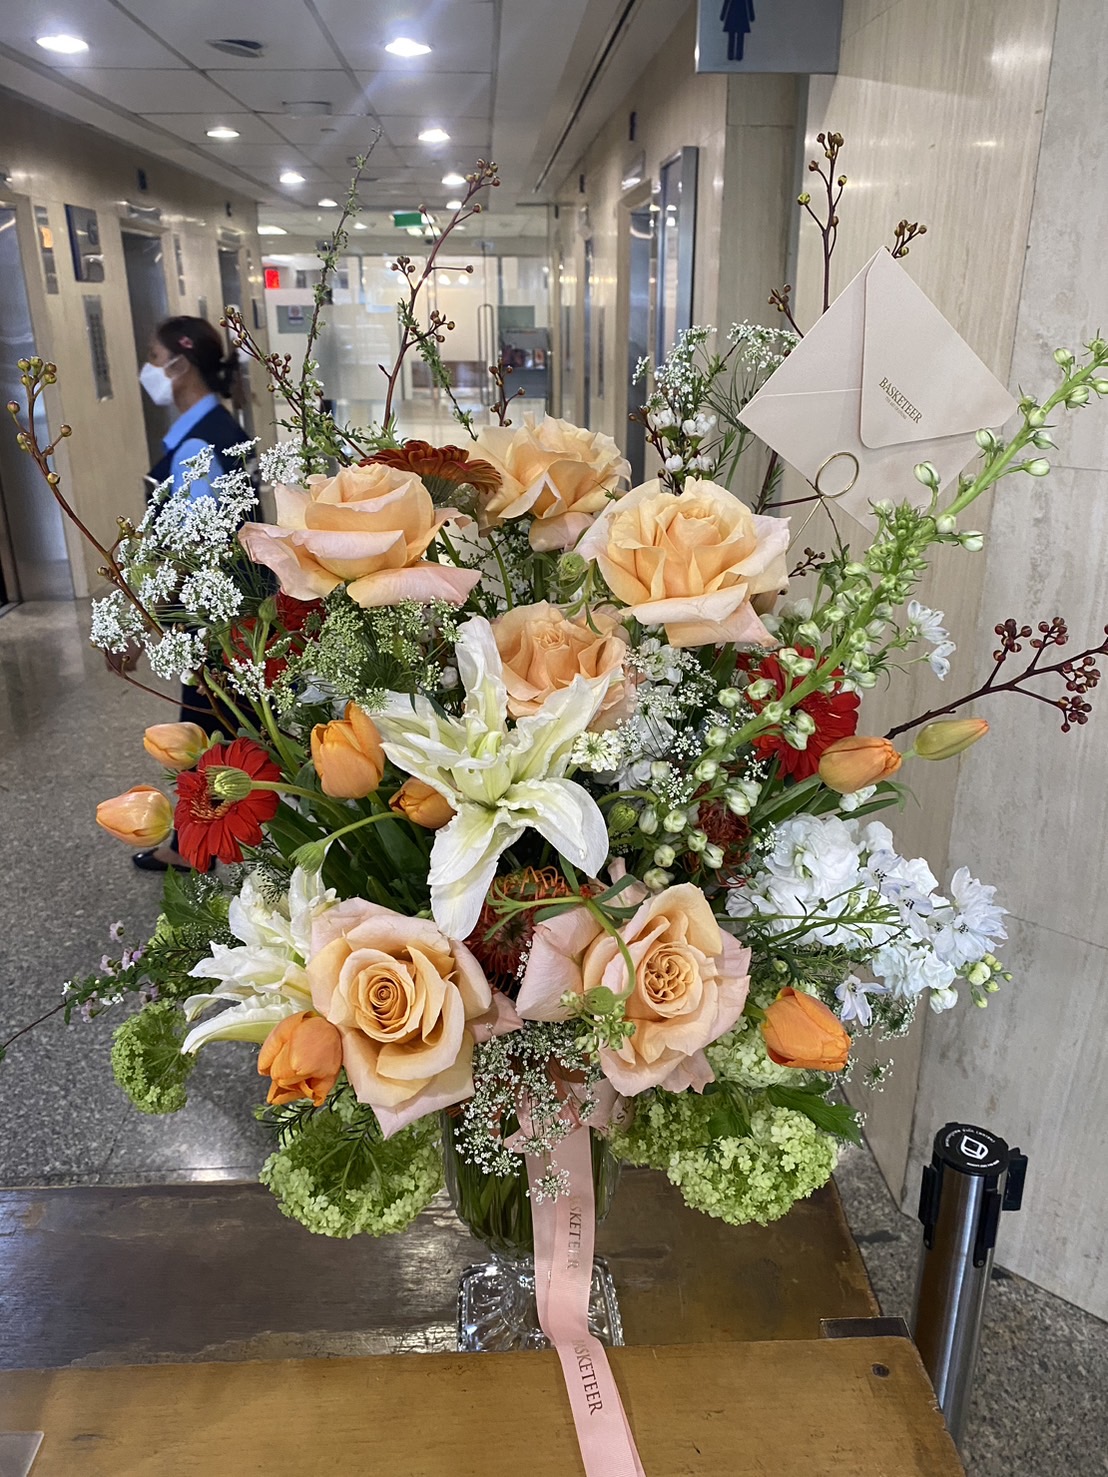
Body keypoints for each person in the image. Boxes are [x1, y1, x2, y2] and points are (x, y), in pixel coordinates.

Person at [133, 316, 252, 872]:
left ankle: (193, 846)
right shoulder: (218, 429)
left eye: (155, 357)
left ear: (179, 365)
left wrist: (147, 621)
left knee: (204, 726)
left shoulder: (198, 445)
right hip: (229, 606)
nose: (152, 369)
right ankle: (196, 842)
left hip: (209, 611)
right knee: (221, 721)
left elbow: (195, 545)